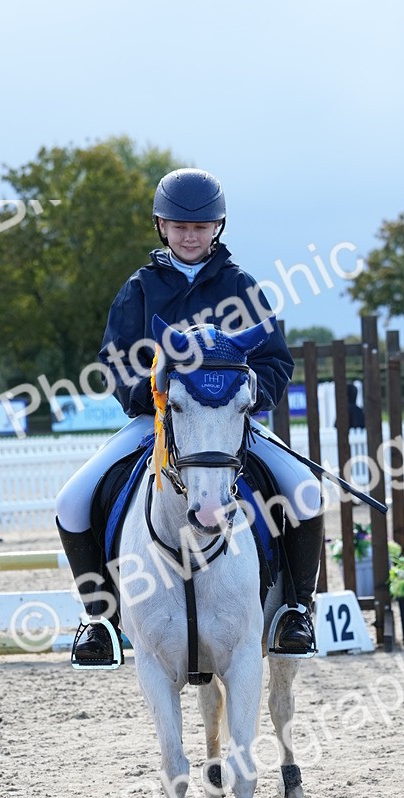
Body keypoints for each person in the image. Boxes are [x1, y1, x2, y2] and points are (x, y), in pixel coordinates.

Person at [56, 168, 324, 668]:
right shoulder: (139, 289)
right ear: (161, 226)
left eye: (201, 227)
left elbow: (274, 360)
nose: (190, 235)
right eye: (179, 226)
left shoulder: (241, 286)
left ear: (218, 228)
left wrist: (248, 395)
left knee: (304, 492)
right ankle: (99, 620)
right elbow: (115, 357)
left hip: (227, 427)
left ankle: (294, 610)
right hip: (157, 422)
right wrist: (150, 393)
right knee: (71, 500)